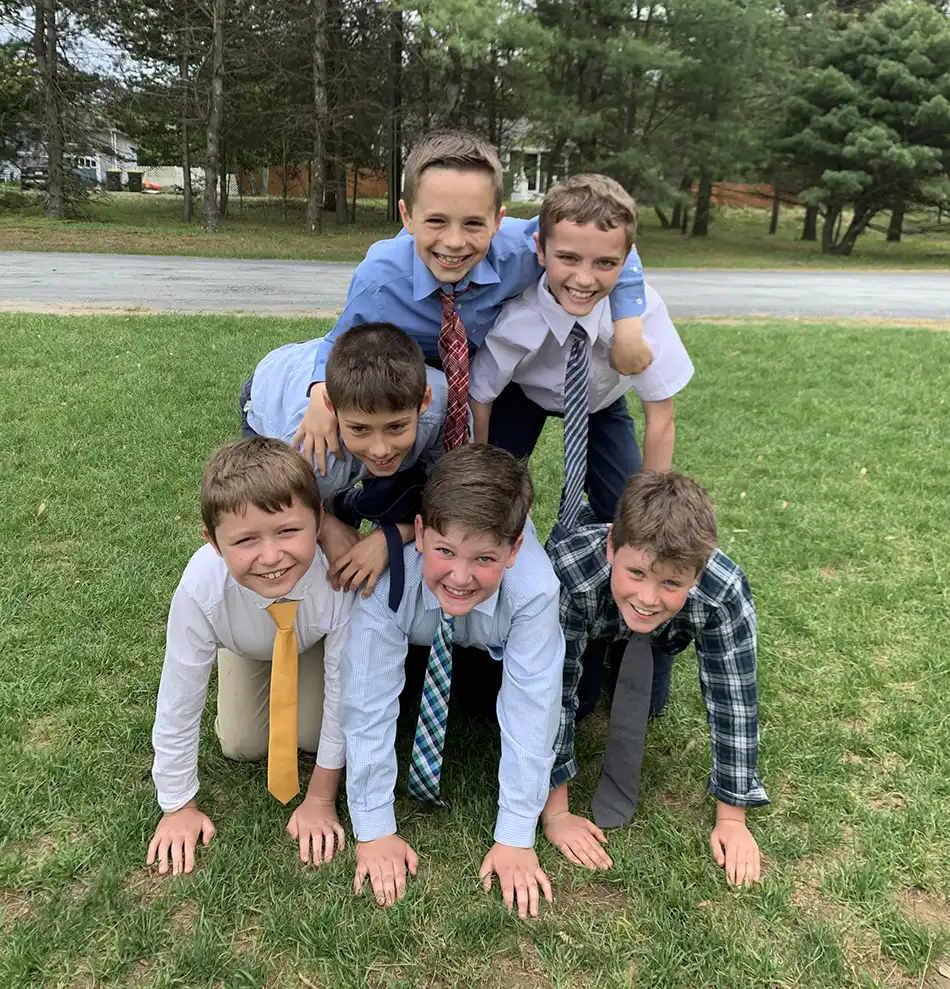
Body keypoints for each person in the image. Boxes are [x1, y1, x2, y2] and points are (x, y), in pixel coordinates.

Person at [293, 130, 653, 474]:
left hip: (499, 367)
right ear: (407, 216)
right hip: (421, 367)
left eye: (473, 224)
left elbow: (616, 245)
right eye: (435, 221)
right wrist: (320, 393)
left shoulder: (523, 249)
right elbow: (341, 341)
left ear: (498, 220)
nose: (454, 242)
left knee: (496, 470)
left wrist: (628, 328)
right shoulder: (380, 279)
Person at [340, 445, 565, 918]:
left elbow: (534, 706)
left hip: (493, 636)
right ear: (419, 533)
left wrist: (516, 834)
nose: (461, 576)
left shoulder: (535, 590)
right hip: (421, 625)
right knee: (394, 702)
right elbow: (366, 701)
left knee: (531, 705)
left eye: (484, 558)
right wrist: (374, 826)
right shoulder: (388, 583)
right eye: (445, 551)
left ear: (514, 549)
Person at [543, 471, 767, 887]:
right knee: (584, 700)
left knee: (649, 704)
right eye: (638, 574)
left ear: (697, 574)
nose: (648, 596)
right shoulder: (570, 572)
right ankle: (611, 649)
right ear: (611, 547)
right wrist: (556, 812)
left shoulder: (723, 592)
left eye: (671, 582)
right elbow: (552, 693)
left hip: (664, 634)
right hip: (592, 623)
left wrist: (732, 817)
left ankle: (639, 647)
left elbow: (734, 699)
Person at [147, 437, 354, 876]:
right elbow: (178, 700)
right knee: (241, 744)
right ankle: (242, 662)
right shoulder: (201, 589)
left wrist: (320, 796)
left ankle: (293, 671)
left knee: (320, 737)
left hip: (311, 643)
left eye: (287, 531)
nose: (271, 556)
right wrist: (177, 805)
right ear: (214, 543)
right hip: (246, 642)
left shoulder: (336, 577)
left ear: (319, 521)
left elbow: (344, 688)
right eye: (245, 540)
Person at [469, 173, 694, 526]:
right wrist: (478, 469)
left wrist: (651, 508)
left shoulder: (643, 313)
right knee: (495, 496)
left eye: (605, 263)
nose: (585, 279)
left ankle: (592, 526)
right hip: (523, 395)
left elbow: (661, 418)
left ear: (626, 261)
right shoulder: (517, 319)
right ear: (541, 251)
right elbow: (480, 395)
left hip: (600, 401)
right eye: (569, 258)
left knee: (623, 509)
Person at [241, 322, 449, 600]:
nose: (380, 449)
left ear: (424, 401)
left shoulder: (445, 406)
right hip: (271, 386)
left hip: (329, 373)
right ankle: (336, 505)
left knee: (407, 489)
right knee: (308, 542)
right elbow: (274, 506)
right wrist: (326, 528)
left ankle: (349, 500)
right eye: (360, 429)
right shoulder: (307, 455)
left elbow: (451, 498)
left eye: (396, 427)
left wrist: (394, 536)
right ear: (330, 407)